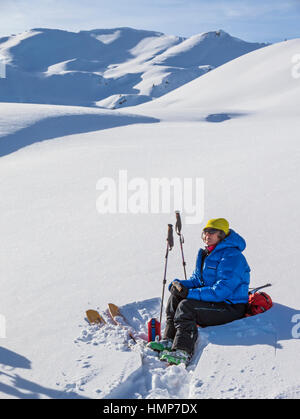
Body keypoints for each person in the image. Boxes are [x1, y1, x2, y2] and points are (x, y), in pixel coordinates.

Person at [148, 218, 251, 366]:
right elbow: (197, 280)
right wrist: (179, 285)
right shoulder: (206, 253)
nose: (207, 235)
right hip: (215, 300)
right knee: (176, 297)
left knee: (187, 306)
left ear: (221, 235)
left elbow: (221, 291)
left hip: (230, 306)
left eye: (212, 232)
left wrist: (188, 294)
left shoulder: (232, 256)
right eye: (205, 232)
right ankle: (169, 340)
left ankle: (183, 351)